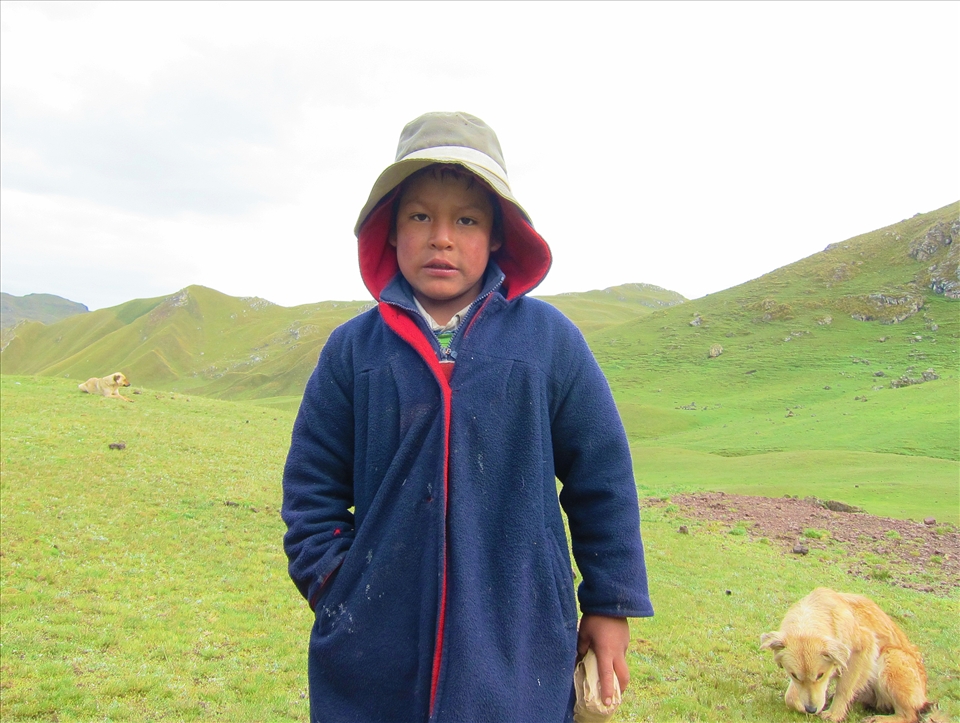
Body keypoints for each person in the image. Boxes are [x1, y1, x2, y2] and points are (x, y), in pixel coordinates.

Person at [282, 111, 653, 723]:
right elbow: (311, 486)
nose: (442, 238)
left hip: (521, 638)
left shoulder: (549, 343)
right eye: (420, 216)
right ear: (391, 230)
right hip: (374, 648)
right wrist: (338, 585)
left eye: (467, 219)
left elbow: (602, 478)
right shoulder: (353, 351)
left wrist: (609, 606)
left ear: (500, 233)